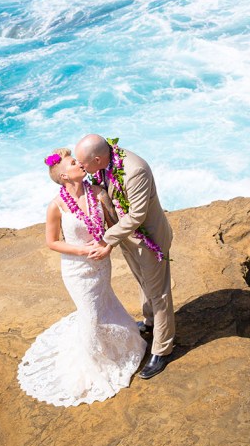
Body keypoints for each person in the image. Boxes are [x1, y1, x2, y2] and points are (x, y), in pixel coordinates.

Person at [16, 148, 146, 406]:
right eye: (74, 162)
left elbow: (113, 227)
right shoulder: (55, 206)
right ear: (64, 176)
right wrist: (82, 250)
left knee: (105, 303)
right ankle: (92, 365)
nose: (80, 163)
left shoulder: (98, 193)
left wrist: (107, 246)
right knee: (90, 314)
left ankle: (113, 346)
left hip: (101, 263)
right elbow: (52, 242)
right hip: (76, 269)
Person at [75, 134, 174, 380]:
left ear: (98, 160)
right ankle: (151, 322)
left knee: (158, 292)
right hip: (127, 237)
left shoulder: (135, 171)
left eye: (83, 164)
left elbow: (137, 215)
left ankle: (162, 349)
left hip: (149, 239)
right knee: (143, 281)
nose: (81, 168)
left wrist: (107, 240)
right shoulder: (104, 162)